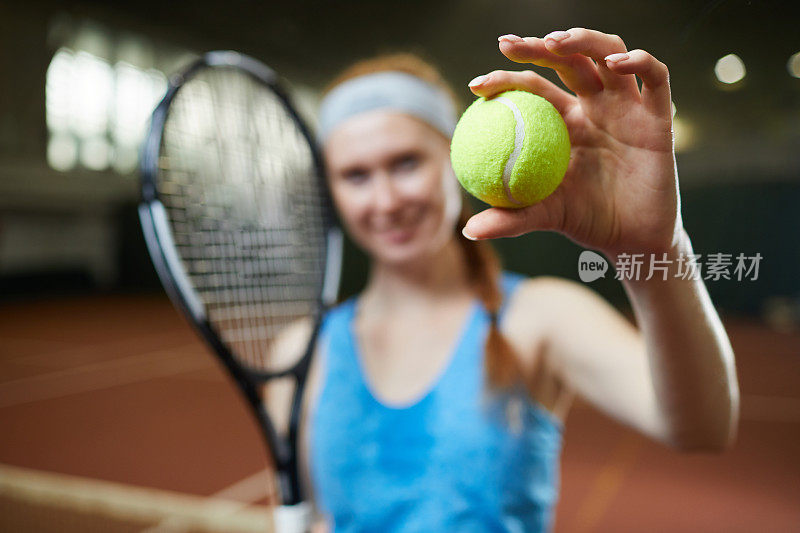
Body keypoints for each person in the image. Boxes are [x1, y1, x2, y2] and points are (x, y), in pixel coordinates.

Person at [272, 28, 740, 532]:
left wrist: (654, 249)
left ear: (454, 158)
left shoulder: (541, 317)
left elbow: (702, 428)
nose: (385, 201)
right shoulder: (300, 352)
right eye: (356, 176)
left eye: (406, 163)